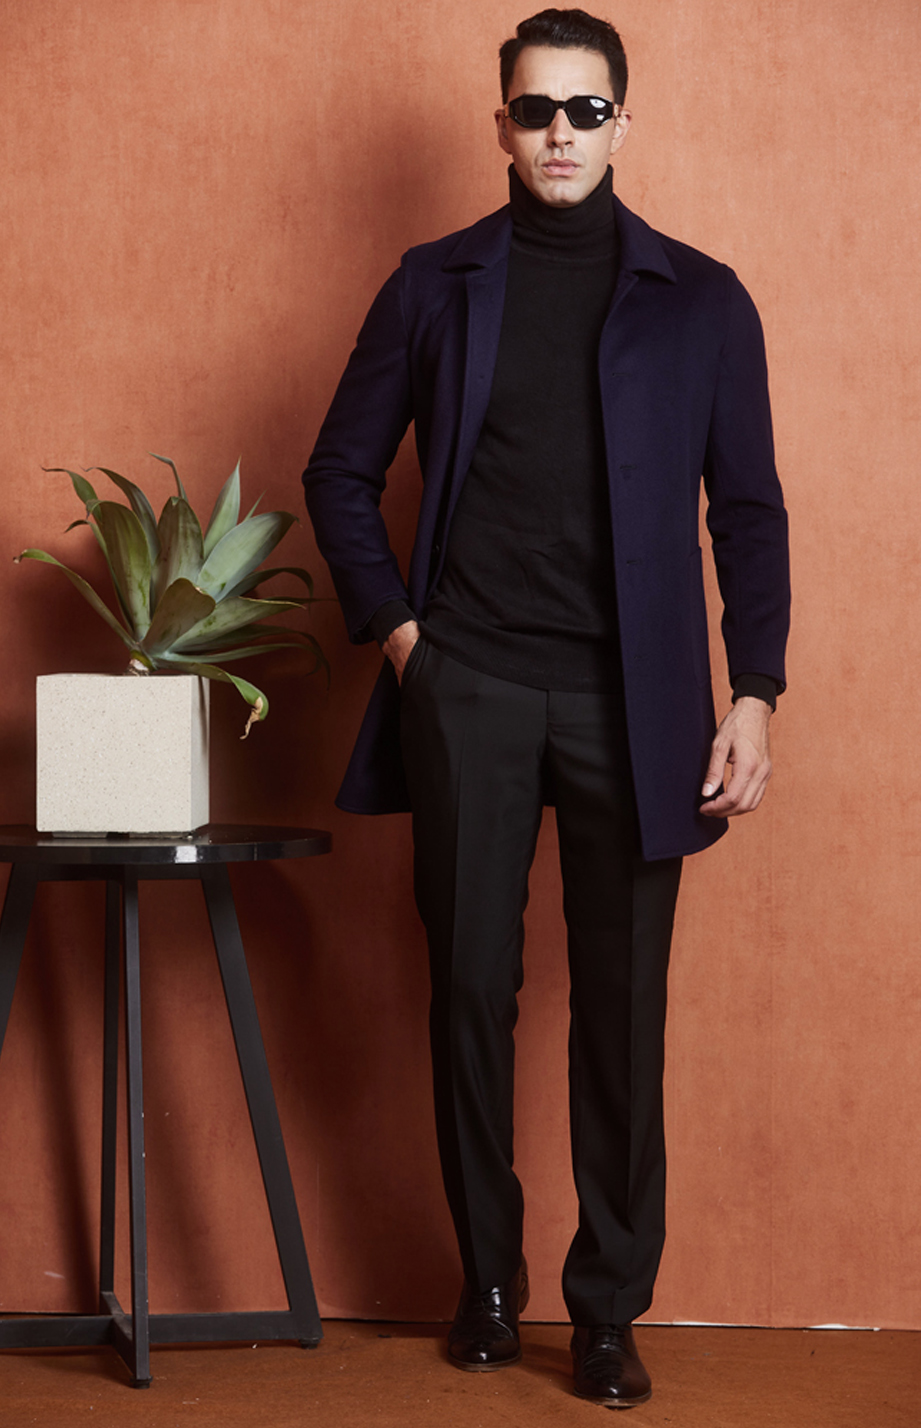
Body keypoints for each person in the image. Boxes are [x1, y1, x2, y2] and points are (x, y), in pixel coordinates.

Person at [303, 8, 789, 1408]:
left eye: (585, 110)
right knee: (469, 989)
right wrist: (406, 642)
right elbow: (338, 472)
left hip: (638, 703)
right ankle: (487, 1280)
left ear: (623, 123)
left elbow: (748, 511)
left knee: (621, 1009)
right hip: (471, 686)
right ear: (501, 125)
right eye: (535, 110)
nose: (559, 133)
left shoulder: (702, 300)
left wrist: (754, 690)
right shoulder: (432, 285)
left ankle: (607, 1311)